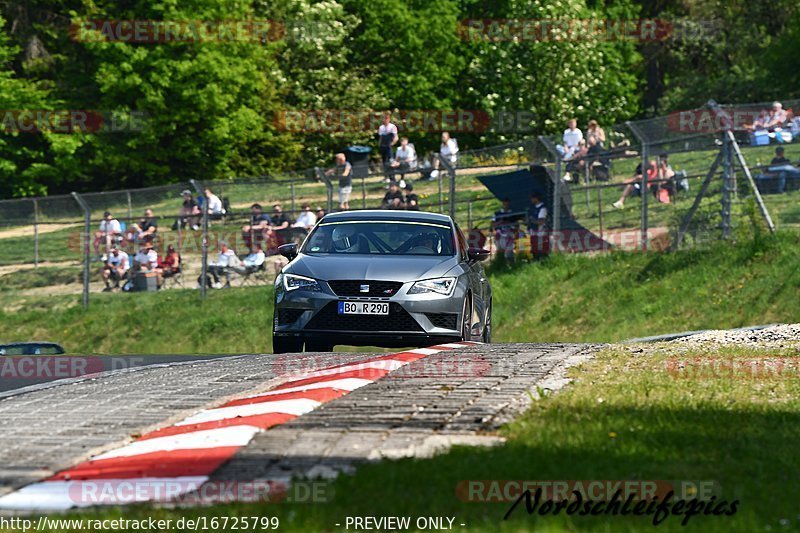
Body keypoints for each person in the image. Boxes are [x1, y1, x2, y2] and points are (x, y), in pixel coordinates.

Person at [527, 192, 548, 260]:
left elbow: (541, 221)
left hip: (540, 232)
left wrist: (532, 221)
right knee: (534, 249)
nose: (531, 200)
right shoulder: (532, 208)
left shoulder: (543, 208)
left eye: (532, 198)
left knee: (541, 250)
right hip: (533, 232)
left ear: (536, 198)